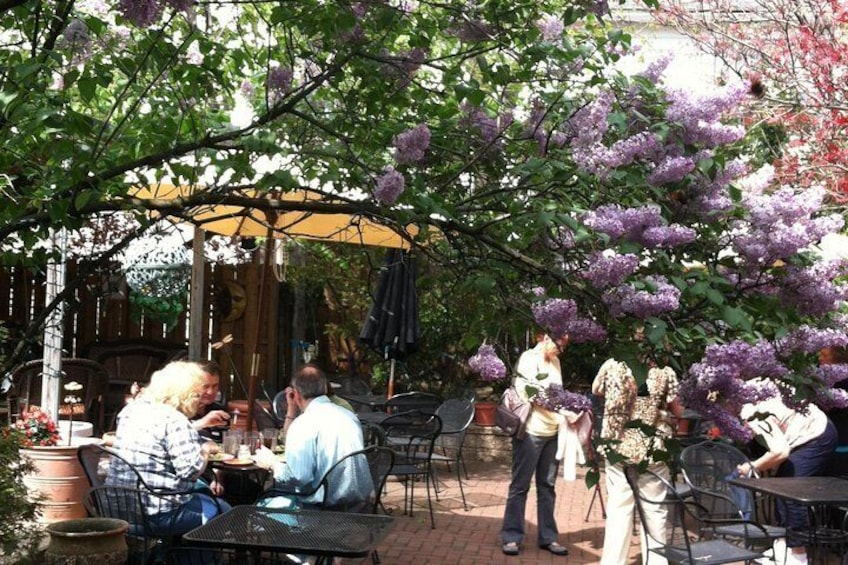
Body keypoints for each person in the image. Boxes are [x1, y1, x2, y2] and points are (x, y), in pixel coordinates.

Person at [107, 360, 232, 536]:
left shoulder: (131, 410)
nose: (198, 399)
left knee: (202, 494)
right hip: (157, 514)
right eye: (196, 394)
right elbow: (189, 471)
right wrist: (204, 450)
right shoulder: (175, 420)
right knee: (224, 511)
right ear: (184, 394)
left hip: (116, 506)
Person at [735, 379, 838, 565]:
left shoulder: (749, 411)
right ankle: (784, 543)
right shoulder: (752, 386)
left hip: (816, 434)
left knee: (791, 490)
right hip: (805, 432)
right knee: (781, 486)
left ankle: (798, 555)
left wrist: (752, 466)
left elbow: (780, 451)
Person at [592, 358, 684, 565]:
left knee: (619, 509)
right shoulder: (665, 371)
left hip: (617, 446)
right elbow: (679, 411)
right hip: (653, 450)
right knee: (654, 509)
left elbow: (596, 390)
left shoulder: (612, 364)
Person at [254, 364, 371, 509]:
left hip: (319, 513)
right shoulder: (349, 416)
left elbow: (300, 478)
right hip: (358, 508)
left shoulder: (304, 423)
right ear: (325, 389)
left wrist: (271, 464)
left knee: (254, 511)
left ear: (296, 394)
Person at [501, 332, 571, 557]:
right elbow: (531, 394)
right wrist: (561, 407)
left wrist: (571, 408)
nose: (561, 351)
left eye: (564, 348)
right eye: (560, 346)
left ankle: (548, 538)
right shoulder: (528, 359)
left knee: (547, 487)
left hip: (553, 432)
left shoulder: (556, 361)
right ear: (546, 337)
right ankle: (511, 537)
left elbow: (558, 393)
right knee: (520, 486)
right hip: (530, 432)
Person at [189, 360, 230, 442]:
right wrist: (201, 423)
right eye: (205, 386)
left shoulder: (219, 411)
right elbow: (169, 438)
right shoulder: (177, 412)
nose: (211, 392)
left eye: (215, 386)